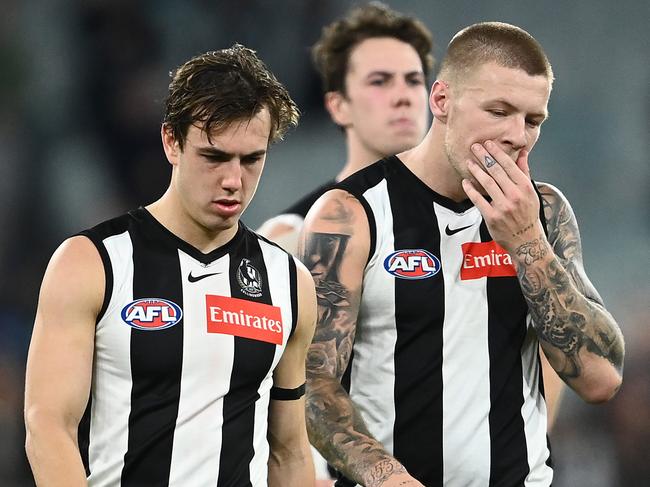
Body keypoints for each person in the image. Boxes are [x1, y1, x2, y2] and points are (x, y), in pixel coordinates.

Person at [300, 22, 625, 487]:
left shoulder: (545, 213)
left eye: (533, 121)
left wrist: (525, 242)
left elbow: (601, 380)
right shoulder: (351, 214)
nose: (517, 135)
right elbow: (314, 386)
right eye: (499, 111)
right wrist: (386, 477)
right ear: (441, 101)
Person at [24, 45, 317, 487]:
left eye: (251, 160)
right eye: (215, 157)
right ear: (171, 142)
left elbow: (290, 452)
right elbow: (48, 426)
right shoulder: (92, 262)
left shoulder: (289, 282)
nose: (234, 180)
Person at [257, 2, 433, 255]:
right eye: (380, 81)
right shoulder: (288, 238)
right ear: (338, 106)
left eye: (413, 80)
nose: (403, 96)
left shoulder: (481, 216)